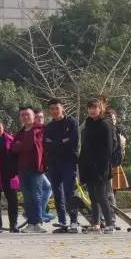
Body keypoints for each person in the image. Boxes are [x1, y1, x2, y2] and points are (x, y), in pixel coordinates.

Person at [80, 99, 116, 233]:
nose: (92, 110)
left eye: (94, 108)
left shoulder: (105, 124)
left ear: (100, 109)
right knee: (93, 197)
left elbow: (108, 149)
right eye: (89, 108)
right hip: (88, 166)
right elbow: (84, 145)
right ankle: (95, 223)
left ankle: (109, 223)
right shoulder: (88, 124)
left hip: (101, 167)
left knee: (102, 196)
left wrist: (103, 167)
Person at [44, 99, 79, 233]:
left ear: (62, 108)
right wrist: (62, 142)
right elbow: (47, 144)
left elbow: (73, 142)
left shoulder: (71, 122)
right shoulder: (49, 127)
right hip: (53, 163)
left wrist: (55, 143)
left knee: (69, 192)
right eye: (51, 109)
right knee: (57, 193)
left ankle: (74, 221)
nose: (54, 111)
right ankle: (62, 221)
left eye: (56, 108)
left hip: (68, 162)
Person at [11, 106, 46, 233]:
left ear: (33, 116)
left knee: (37, 195)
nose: (25, 117)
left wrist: (21, 145)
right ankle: (31, 223)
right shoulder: (19, 133)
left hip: (36, 168)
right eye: (22, 115)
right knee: (27, 197)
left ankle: (38, 222)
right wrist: (20, 146)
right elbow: (13, 148)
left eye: (27, 114)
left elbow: (32, 145)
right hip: (22, 168)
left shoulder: (41, 130)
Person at [106, 106, 128, 229]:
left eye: (113, 118)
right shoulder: (103, 129)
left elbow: (122, 148)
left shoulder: (119, 130)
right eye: (108, 117)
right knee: (105, 194)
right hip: (104, 164)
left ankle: (112, 219)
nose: (111, 120)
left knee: (113, 193)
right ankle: (107, 218)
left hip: (115, 164)